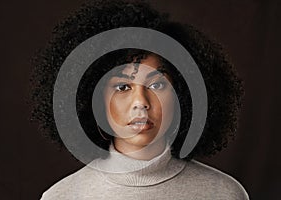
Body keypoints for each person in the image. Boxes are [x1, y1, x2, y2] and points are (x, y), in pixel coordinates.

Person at [29, 0, 249, 199]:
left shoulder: (224, 193)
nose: (141, 102)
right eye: (122, 87)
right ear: (93, 100)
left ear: (182, 96)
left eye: (157, 85)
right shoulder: (62, 197)